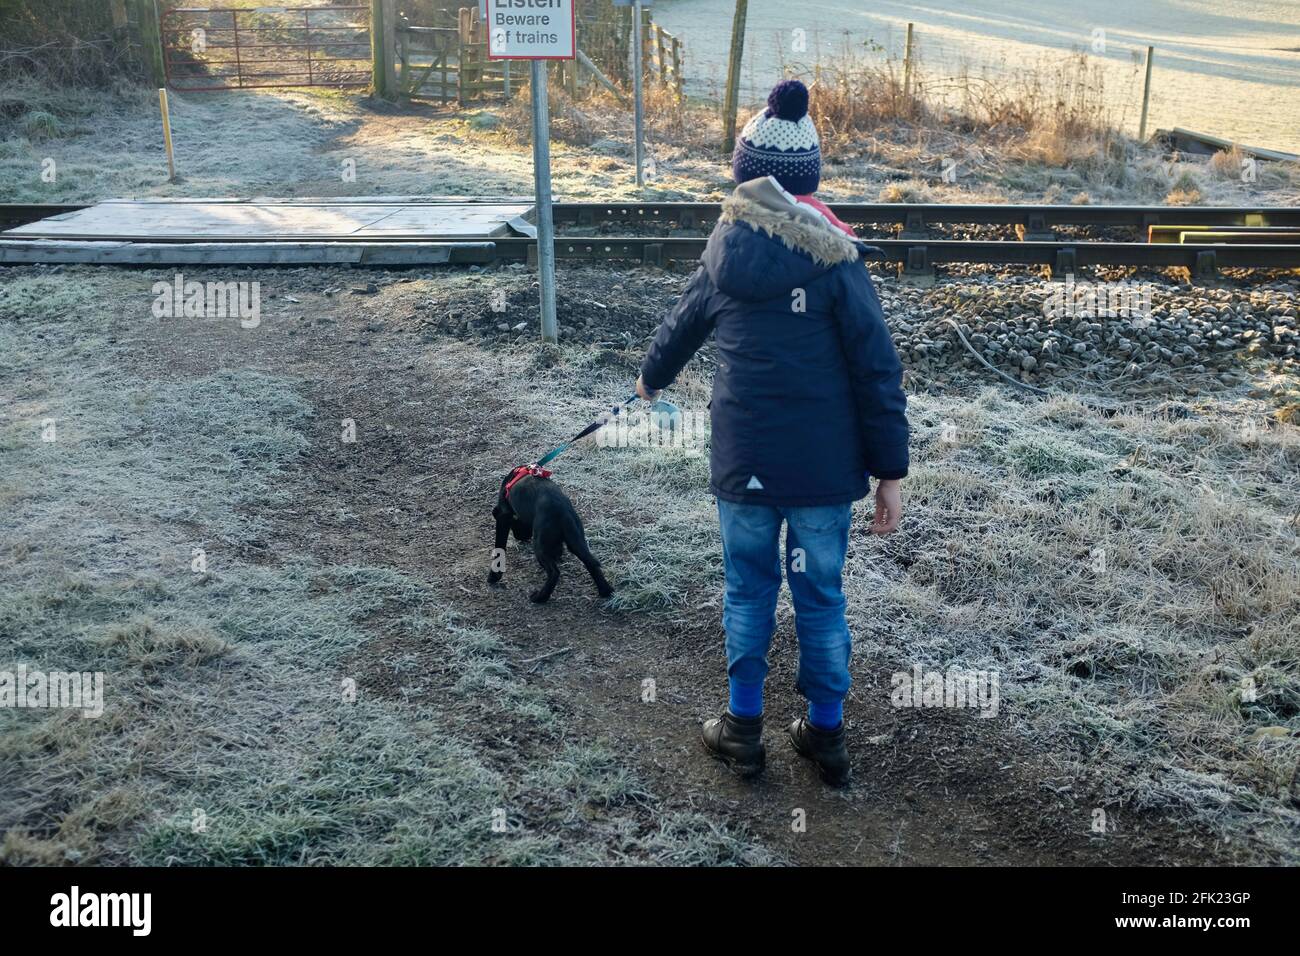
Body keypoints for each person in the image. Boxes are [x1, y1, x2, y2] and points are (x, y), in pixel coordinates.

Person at [635, 79, 909, 786]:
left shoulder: (725, 248)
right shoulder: (839, 261)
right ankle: (824, 735)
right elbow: (877, 369)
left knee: (748, 588)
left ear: (743, 171)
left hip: (745, 463)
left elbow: (680, 327)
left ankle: (742, 729)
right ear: (809, 176)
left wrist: (649, 381)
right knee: (820, 595)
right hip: (822, 471)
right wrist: (890, 471)